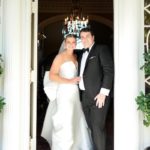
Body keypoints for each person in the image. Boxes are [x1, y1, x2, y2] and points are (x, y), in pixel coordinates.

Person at [41, 34, 93, 150]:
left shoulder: (75, 56)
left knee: (75, 118)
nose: (71, 44)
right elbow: (52, 76)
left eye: (73, 42)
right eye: (68, 42)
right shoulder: (60, 57)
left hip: (74, 93)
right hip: (64, 92)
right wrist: (70, 81)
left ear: (76, 44)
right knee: (65, 120)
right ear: (65, 44)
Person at [78, 27, 114, 150]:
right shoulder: (81, 53)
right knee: (91, 128)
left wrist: (103, 93)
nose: (84, 39)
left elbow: (109, 71)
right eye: (82, 37)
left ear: (93, 37)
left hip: (98, 96)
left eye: (87, 36)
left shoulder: (101, 49)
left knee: (98, 128)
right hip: (85, 97)